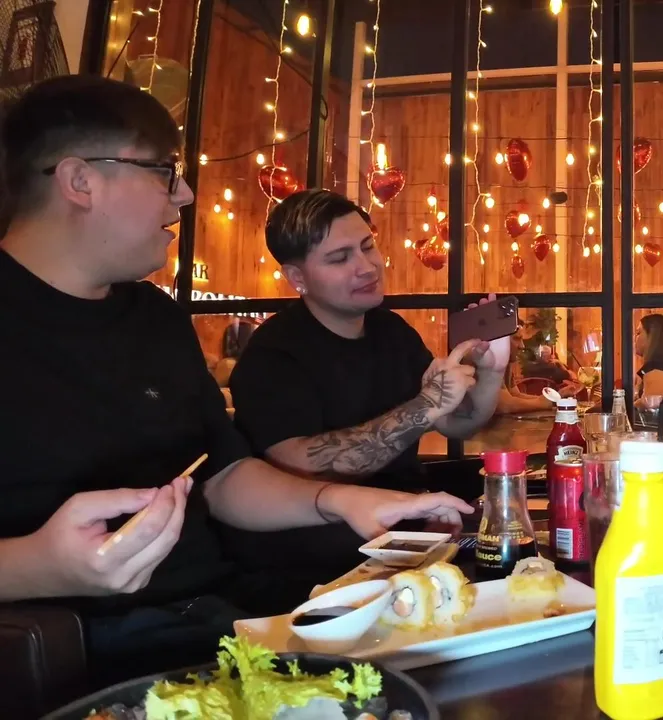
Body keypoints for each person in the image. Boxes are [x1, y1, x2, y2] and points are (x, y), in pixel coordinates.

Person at [0, 76, 473, 683]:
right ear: (80, 180)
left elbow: (224, 476)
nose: (185, 193)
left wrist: (344, 501)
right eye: (165, 171)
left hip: (221, 616)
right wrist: (39, 565)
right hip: (78, 651)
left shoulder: (154, 316)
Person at [227, 189, 507, 578]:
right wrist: (425, 406)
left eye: (367, 246)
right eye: (340, 258)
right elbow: (302, 467)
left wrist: (491, 371)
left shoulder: (391, 330)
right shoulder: (273, 355)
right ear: (297, 278)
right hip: (316, 557)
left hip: (410, 530)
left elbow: (459, 423)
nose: (367, 266)